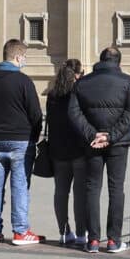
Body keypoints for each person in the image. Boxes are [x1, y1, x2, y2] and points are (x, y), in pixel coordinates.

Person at [68, 47, 130, 253]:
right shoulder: (128, 81)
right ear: (119, 62)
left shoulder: (82, 82)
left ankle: (92, 240)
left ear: (100, 60)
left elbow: (74, 112)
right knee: (116, 188)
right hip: (117, 143)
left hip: (92, 144)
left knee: (92, 188)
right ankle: (113, 240)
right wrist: (112, 135)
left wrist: (93, 134)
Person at [0, 39, 44, 246]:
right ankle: (20, 231)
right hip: (20, 140)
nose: (24, 61)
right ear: (18, 57)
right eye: (24, 57)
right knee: (19, 186)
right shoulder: (23, 81)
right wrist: (34, 135)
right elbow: (35, 114)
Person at [43, 62, 87, 246]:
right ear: (76, 74)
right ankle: (81, 233)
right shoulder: (79, 92)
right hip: (78, 149)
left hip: (57, 149)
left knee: (61, 192)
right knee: (80, 193)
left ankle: (64, 231)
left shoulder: (52, 94)